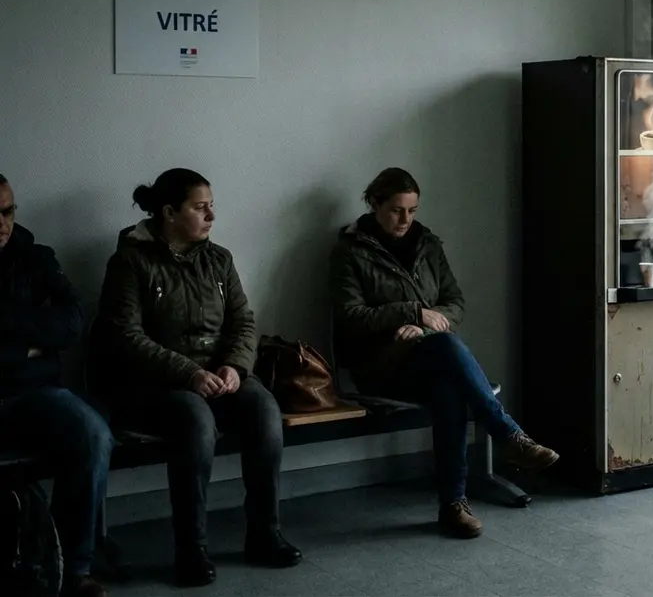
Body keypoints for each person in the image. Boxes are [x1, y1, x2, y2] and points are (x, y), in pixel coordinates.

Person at [89, 169, 300, 587]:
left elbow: (243, 322)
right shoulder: (130, 262)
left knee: (264, 410)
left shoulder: (219, 259)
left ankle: (263, 534)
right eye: (200, 207)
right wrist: (189, 372)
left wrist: (234, 368)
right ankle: (191, 548)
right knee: (195, 420)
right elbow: (125, 337)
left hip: (218, 376)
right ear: (169, 213)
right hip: (155, 384)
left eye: (211, 206)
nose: (211, 215)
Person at [329, 167, 558, 538]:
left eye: (412, 210)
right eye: (396, 210)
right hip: (379, 365)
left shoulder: (427, 245)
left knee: (447, 387)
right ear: (374, 204)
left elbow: (454, 303)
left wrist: (422, 326)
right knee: (446, 347)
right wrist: (412, 312)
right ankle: (508, 436)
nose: (406, 219)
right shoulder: (350, 253)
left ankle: (454, 505)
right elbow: (350, 317)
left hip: (427, 355)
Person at [0, 175, 113, 597]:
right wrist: (26, 345)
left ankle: (74, 566)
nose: (2, 223)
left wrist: (9, 327)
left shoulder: (37, 258)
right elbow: (47, 332)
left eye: (7, 211)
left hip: (33, 396)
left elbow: (70, 324)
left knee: (92, 432)